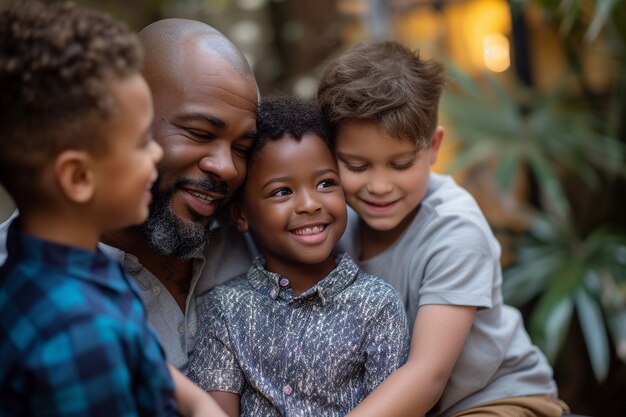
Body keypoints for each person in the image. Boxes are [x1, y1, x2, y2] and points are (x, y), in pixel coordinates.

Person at [317, 41, 568, 417]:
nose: (380, 186)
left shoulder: (456, 231)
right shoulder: (339, 222)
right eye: (356, 165)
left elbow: (428, 375)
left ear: (433, 147)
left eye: (400, 164)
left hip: (497, 399)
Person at [0, 2, 226, 416]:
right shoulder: (79, 339)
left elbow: (141, 354)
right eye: (141, 142)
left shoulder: (47, 263)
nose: (157, 154)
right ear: (79, 177)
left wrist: (198, 405)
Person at [187, 95, 410, 417]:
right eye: (282, 191)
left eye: (325, 183)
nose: (309, 204)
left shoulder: (377, 306)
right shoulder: (226, 309)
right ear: (241, 215)